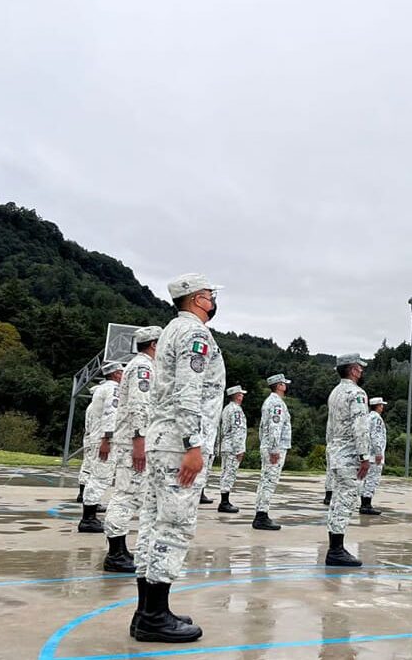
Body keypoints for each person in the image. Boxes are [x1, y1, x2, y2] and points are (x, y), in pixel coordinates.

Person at [133, 273, 225, 643]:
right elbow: (190, 390)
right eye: (211, 295)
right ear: (199, 299)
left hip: (161, 440)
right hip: (178, 444)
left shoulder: (170, 330)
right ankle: (154, 617)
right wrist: (193, 445)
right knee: (174, 526)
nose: (214, 300)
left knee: (153, 523)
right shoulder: (195, 334)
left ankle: (148, 611)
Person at [101, 326, 162, 572]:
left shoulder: (141, 365)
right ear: (155, 345)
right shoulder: (142, 367)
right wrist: (140, 440)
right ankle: (115, 554)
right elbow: (140, 405)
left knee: (131, 494)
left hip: (135, 439)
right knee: (126, 495)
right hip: (133, 441)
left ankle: (120, 549)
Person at [324, 353, 371, 567]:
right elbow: (360, 426)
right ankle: (336, 550)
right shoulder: (356, 393)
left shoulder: (335, 392)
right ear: (352, 370)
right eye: (359, 368)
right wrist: (364, 456)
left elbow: (330, 426)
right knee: (346, 500)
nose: (361, 371)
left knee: (337, 501)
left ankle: (335, 546)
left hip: (335, 451)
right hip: (349, 454)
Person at [79, 361, 124, 533]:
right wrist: (107, 439)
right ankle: (88, 519)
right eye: (121, 372)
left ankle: (89, 515)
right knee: (100, 477)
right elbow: (111, 414)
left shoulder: (104, 389)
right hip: (104, 440)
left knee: (96, 477)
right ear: (116, 374)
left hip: (97, 438)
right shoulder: (113, 389)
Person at [252, 373, 293, 530]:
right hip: (274, 448)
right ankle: (261, 516)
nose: (286, 386)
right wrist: (275, 449)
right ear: (279, 386)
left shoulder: (270, 401)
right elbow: (275, 427)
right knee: (269, 481)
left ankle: (261, 513)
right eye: (284, 384)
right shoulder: (276, 403)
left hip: (268, 446)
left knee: (266, 481)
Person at [217, 386, 248, 514]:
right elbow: (237, 430)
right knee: (229, 473)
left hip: (226, 445)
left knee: (225, 472)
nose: (243, 396)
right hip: (232, 447)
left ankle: (224, 500)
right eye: (241, 394)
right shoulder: (236, 410)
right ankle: (224, 502)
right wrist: (239, 449)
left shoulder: (227, 408)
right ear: (237, 396)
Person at [358, 397, 387, 515]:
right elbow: (376, 436)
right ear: (378, 406)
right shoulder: (377, 419)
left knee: (366, 480)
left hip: (368, 454)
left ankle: (364, 503)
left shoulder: (368, 417)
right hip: (374, 456)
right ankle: (367, 504)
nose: (382, 407)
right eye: (381, 405)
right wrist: (379, 452)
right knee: (372, 480)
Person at [76, 383, 103, 503]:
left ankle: (82, 493)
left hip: (89, 438)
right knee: (94, 469)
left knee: (86, 466)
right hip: (94, 439)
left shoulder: (91, 407)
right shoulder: (97, 408)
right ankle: (90, 497)